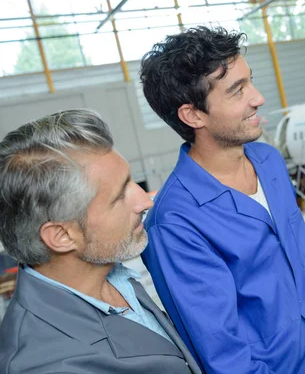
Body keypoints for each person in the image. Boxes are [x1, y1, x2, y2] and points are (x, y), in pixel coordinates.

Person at [139, 26, 305, 374]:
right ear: (193, 115)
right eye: (237, 91)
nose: (257, 98)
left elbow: (297, 239)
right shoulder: (175, 225)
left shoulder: (268, 161)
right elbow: (224, 357)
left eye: (250, 81)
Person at [0, 110, 202, 374]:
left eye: (131, 181)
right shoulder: (46, 364)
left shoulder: (107, 271)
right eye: (119, 196)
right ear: (62, 236)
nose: (145, 202)